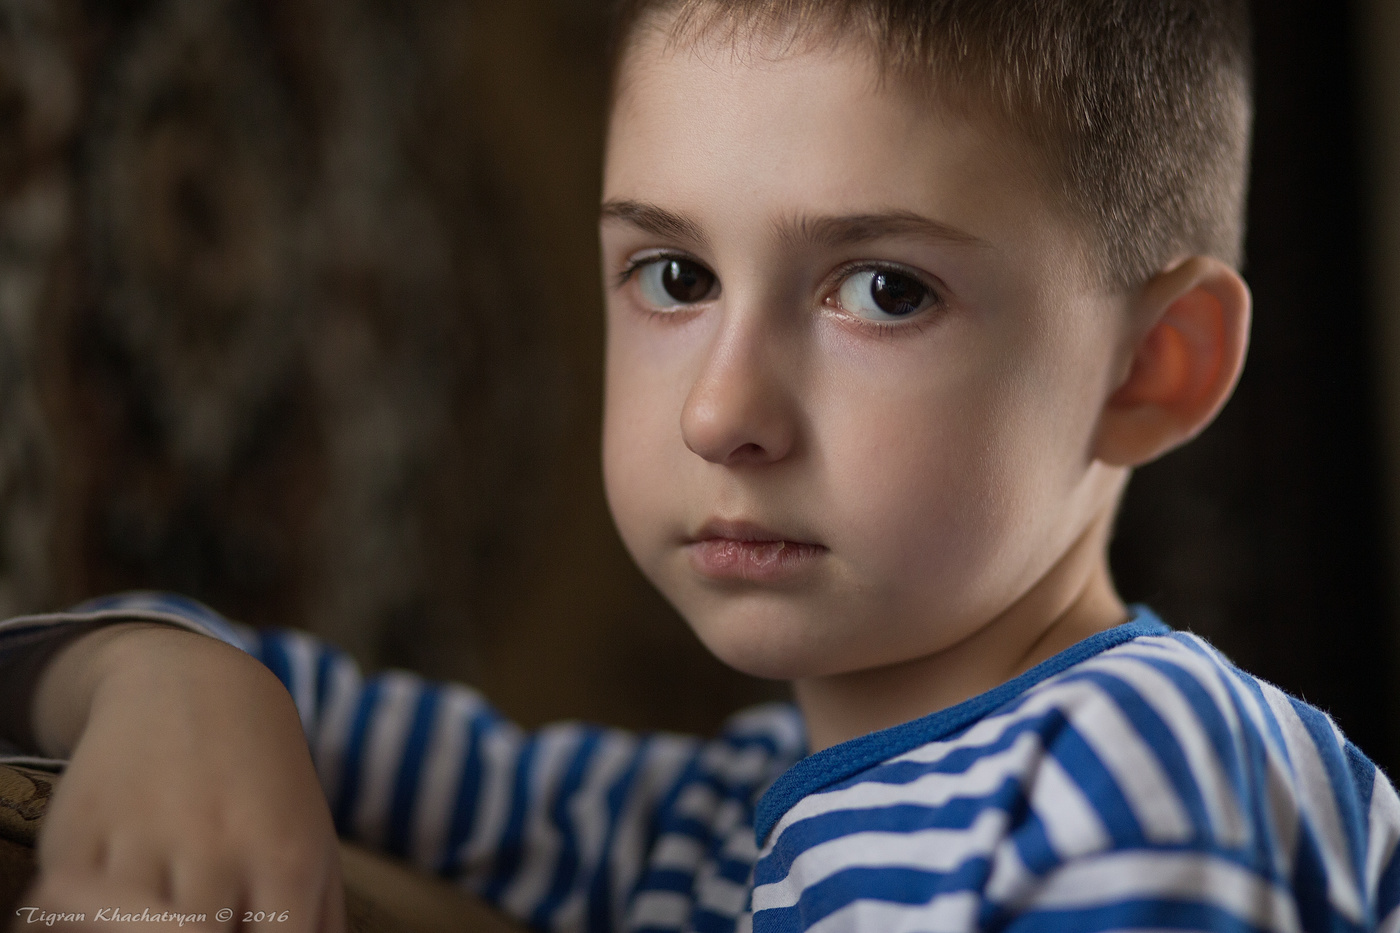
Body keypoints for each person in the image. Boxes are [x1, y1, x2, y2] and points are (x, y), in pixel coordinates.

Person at [4, 0, 1396, 930]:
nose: (720, 411)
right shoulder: (680, 828)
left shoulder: (1138, 769)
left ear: (1153, 367)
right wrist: (165, 679)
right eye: (673, 274)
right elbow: (103, 672)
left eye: (884, 291)